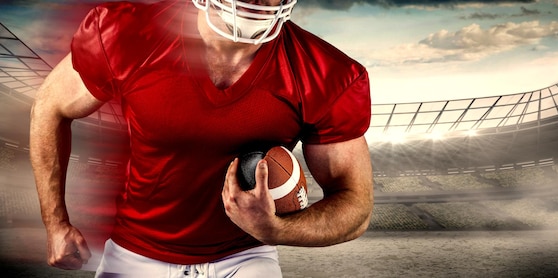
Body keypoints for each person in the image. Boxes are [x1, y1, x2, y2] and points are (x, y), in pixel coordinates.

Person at [29, 0, 373, 276]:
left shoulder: (328, 75)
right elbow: (50, 107)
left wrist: (276, 231)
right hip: (135, 254)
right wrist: (55, 223)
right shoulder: (129, 32)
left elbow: (355, 204)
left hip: (245, 256)